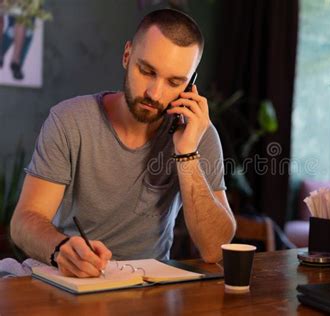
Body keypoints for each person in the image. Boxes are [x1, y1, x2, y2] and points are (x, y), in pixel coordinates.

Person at [10, 9, 236, 278]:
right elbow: (24, 221)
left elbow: (215, 250)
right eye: (147, 70)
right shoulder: (69, 120)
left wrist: (187, 154)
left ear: (190, 86)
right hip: (70, 277)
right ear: (127, 55)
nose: (155, 93)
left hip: (148, 286)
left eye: (175, 82)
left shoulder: (197, 134)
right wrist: (60, 249)